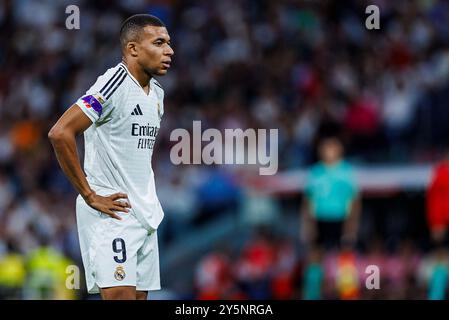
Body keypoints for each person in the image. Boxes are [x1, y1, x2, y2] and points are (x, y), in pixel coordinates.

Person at [48, 14, 174, 300]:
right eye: (159, 42)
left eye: (169, 43)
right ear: (133, 49)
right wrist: (90, 195)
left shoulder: (157, 94)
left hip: (145, 215)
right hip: (111, 212)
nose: (169, 50)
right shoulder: (114, 83)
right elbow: (61, 133)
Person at [301, 137, 360, 251]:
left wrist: (352, 225)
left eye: (332, 147)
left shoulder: (347, 171)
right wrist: (308, 224)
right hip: (319, 218)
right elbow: (308, 199)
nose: (329, 151)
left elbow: (354, 199)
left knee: (344, 252)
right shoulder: (315, 171)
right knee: (316, 252)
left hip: (341, 217)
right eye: (326, 147)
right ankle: (317, 269)